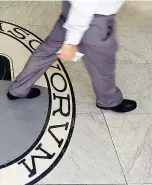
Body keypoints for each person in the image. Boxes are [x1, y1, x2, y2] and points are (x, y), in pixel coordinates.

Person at [7, 0, 137, 113]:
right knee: (102, 67)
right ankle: (108, 101)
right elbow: (86, 4)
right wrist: (71, 41)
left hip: (71, 10)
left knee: (45, 53)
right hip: (92, 18)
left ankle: (19, 88)